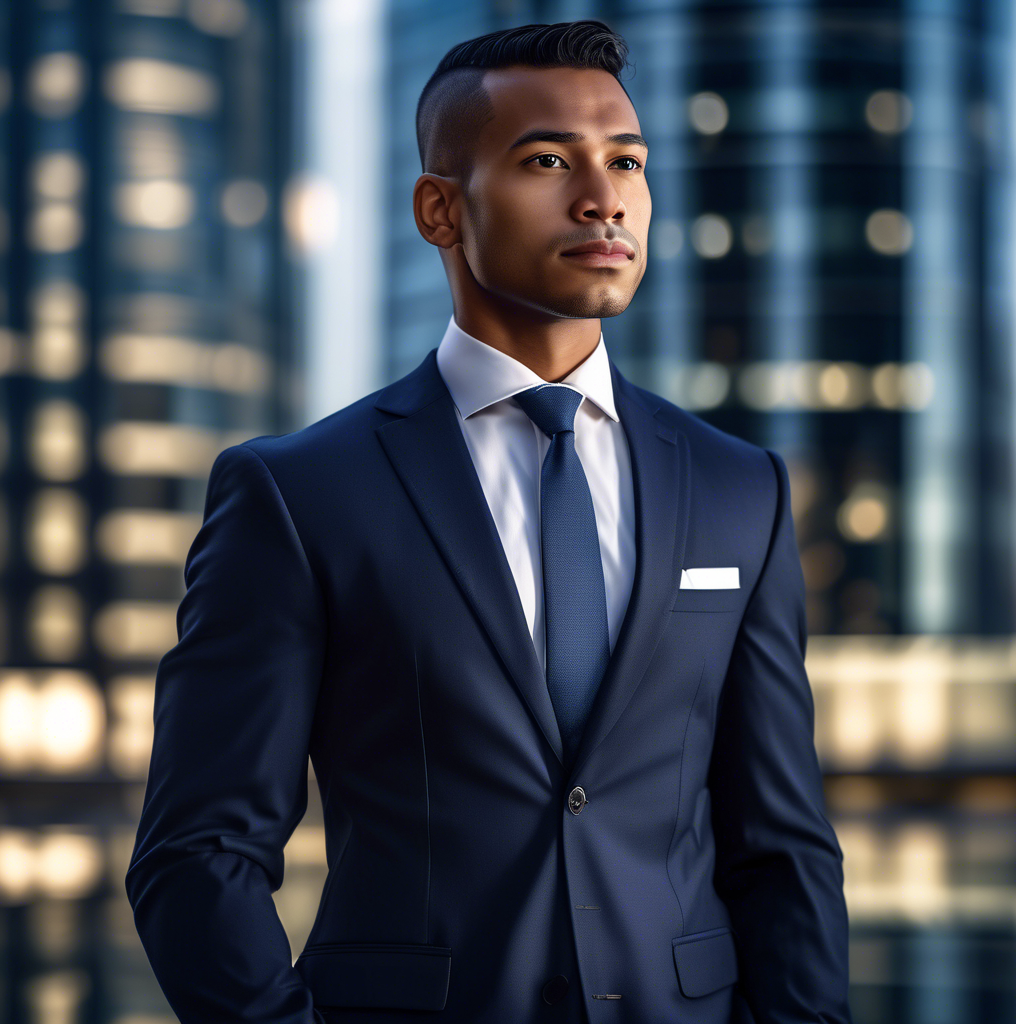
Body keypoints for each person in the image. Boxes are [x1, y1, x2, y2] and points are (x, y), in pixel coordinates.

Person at [125, 19, 851, 1024]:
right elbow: (199, 853)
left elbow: (782, 846)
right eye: (547, 160)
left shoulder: (741, 489)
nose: (603, 196)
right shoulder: (298, 495)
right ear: (437, 209)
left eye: (626, 161)